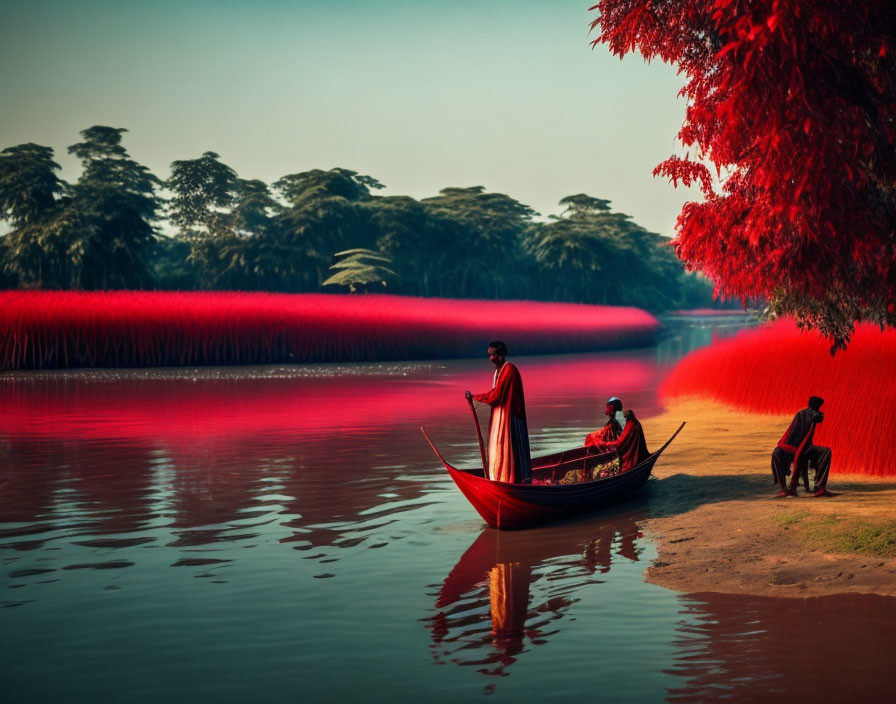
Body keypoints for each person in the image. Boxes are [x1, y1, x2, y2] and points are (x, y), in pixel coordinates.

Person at [465, 341, 532, 483]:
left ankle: (514, 479)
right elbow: (496, 394)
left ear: (500, 355)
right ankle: (502, 477)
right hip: (501, 415)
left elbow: (497, 395)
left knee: (512, 448)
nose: (490, 358)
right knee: (499, 446)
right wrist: (476, 397)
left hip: (511, 417)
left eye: (492, 355)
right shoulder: (499, 371)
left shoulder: (509, 370)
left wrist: (475, 397)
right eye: (489, 355)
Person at [771, 396, 833, 498]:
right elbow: (818, 417)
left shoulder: (804, 413)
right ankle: (785, 488)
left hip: (804, 447)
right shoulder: (809, 414)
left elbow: (818, 418)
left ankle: (818, 487)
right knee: (826, 452)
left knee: (825, 451)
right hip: (795, 447)